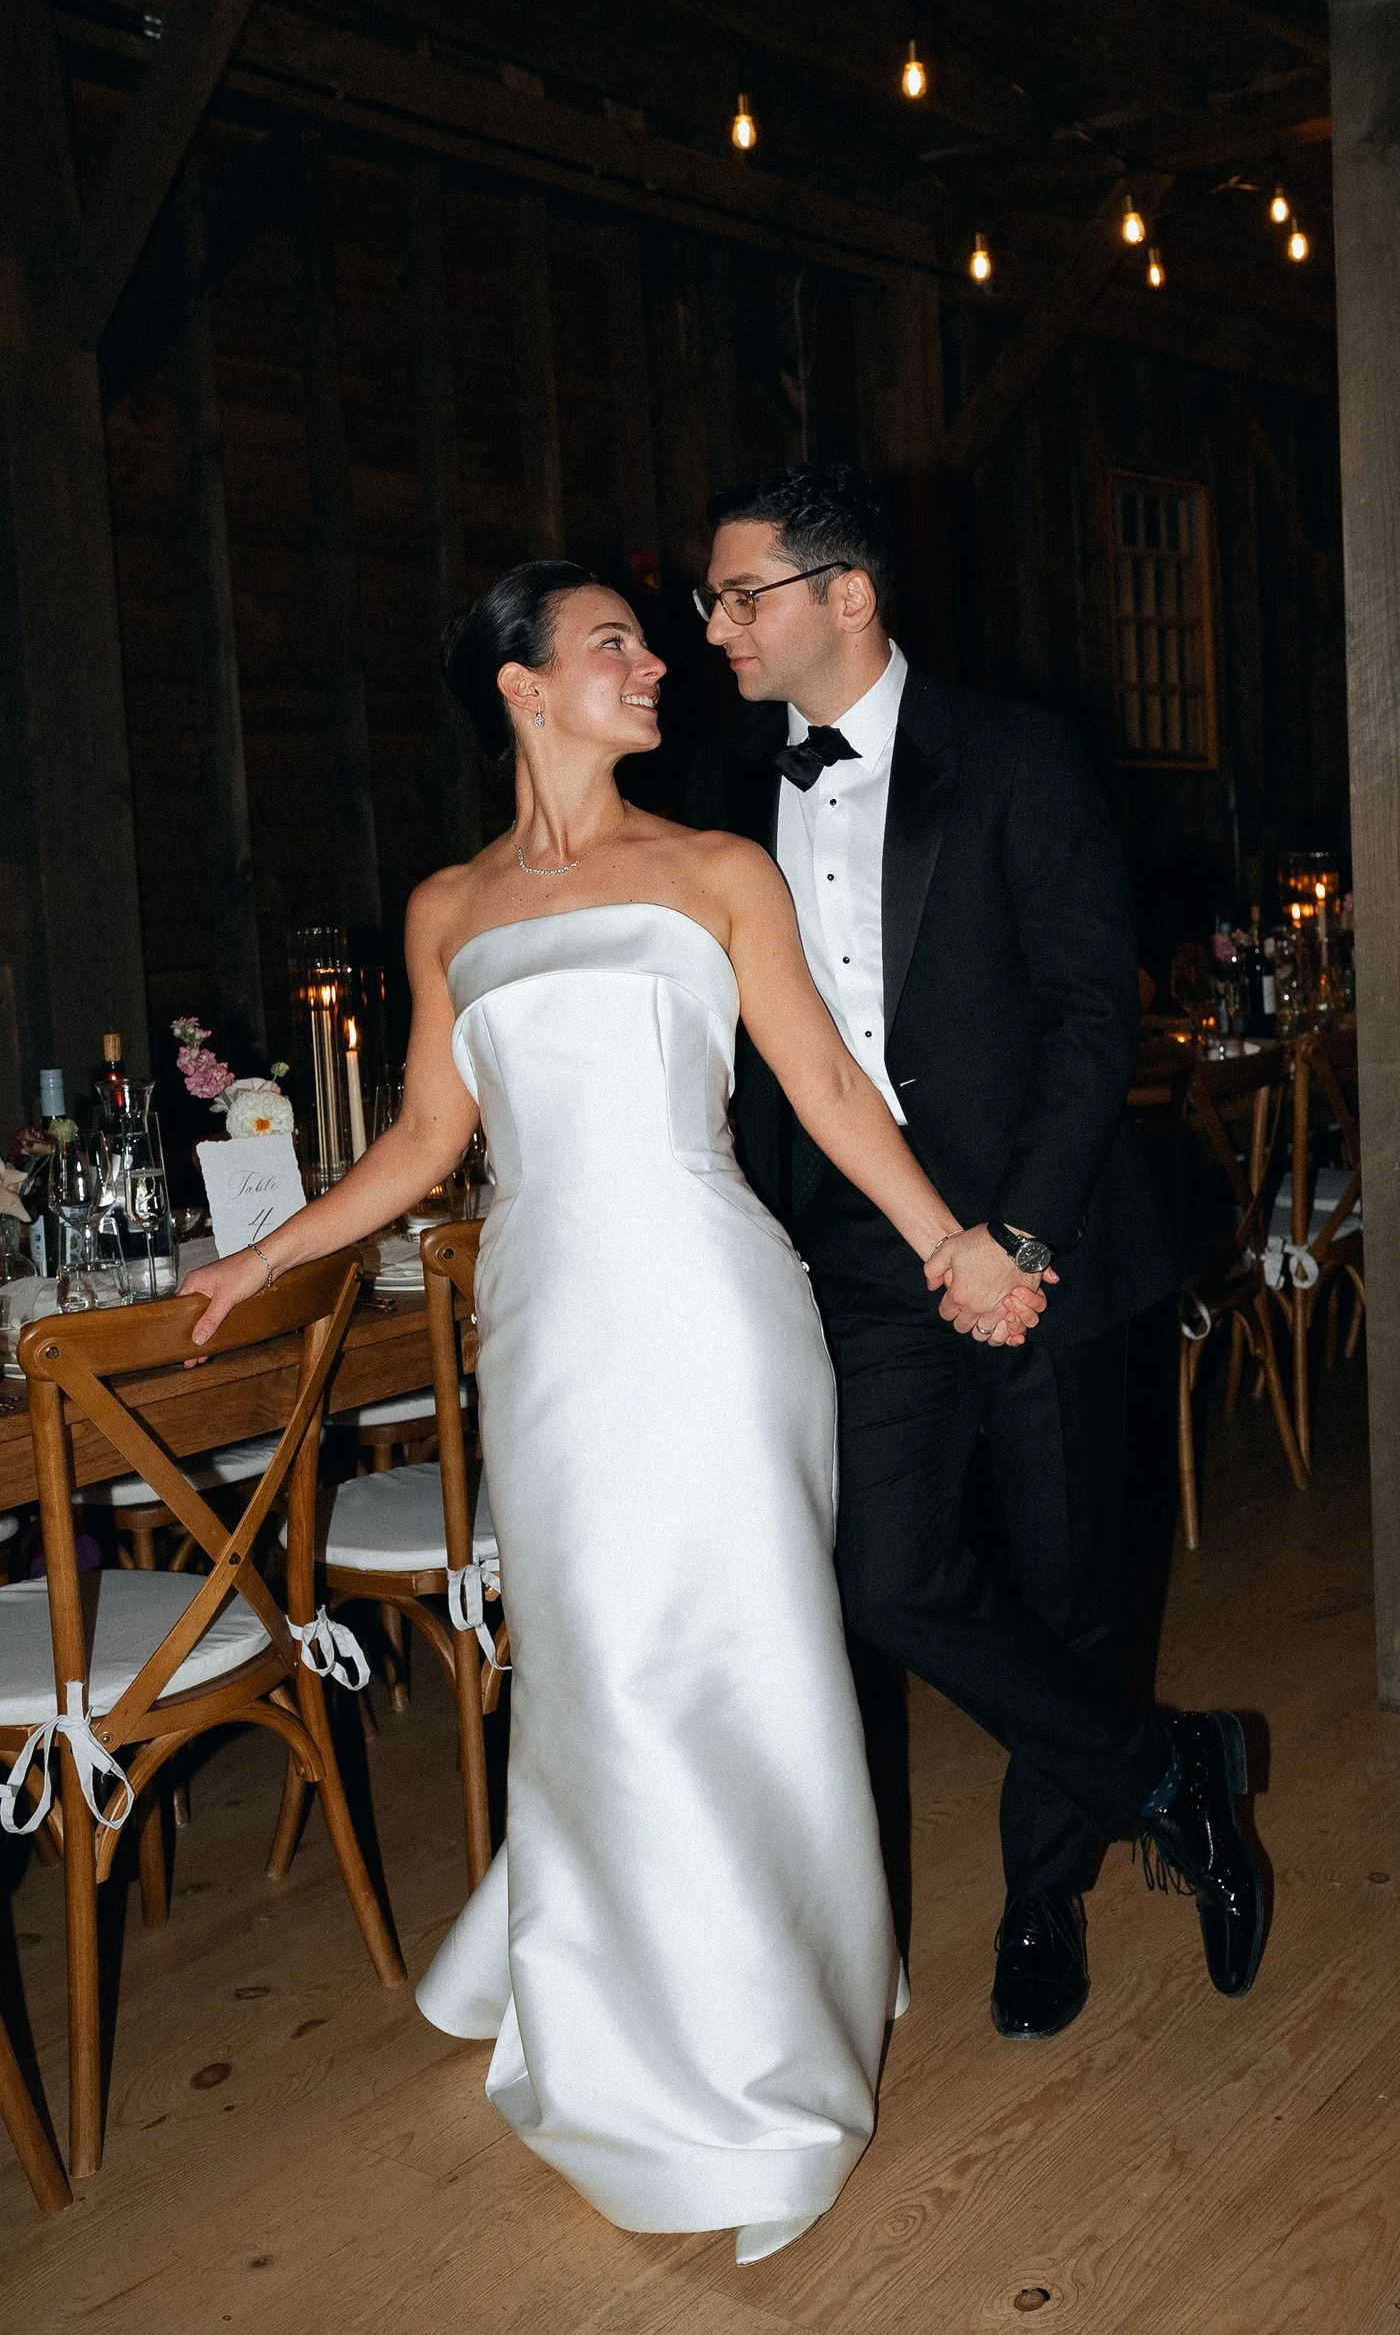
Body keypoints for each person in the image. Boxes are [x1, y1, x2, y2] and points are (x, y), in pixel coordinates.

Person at [181, 561, 1044, 2267]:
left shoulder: (717, 871)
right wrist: (266, 1254)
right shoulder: (444, 909)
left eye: (650, 641)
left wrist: (951, 1240)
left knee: (726, 1652)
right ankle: (614, 1985)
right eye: (610, 645)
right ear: (518, 686)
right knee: (589, 1662)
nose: (656, 663)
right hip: (550, 1329)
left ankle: (756, 2049)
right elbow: (434, 1137)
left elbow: (817, 1080)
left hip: (715, 1310)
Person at [686, 461, 1267, 2039]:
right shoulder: (732, 791)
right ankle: (1171, 1773)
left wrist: (1011, 1233)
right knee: (889, 1578)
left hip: (1047, 1234)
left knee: (1074, 1584)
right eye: (712, 599)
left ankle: (1039, 1902)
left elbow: (1095, 1014)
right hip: (863, 1254)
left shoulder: (1015, 755)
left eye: (741, 594)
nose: (717, 626)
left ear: (845, 595)